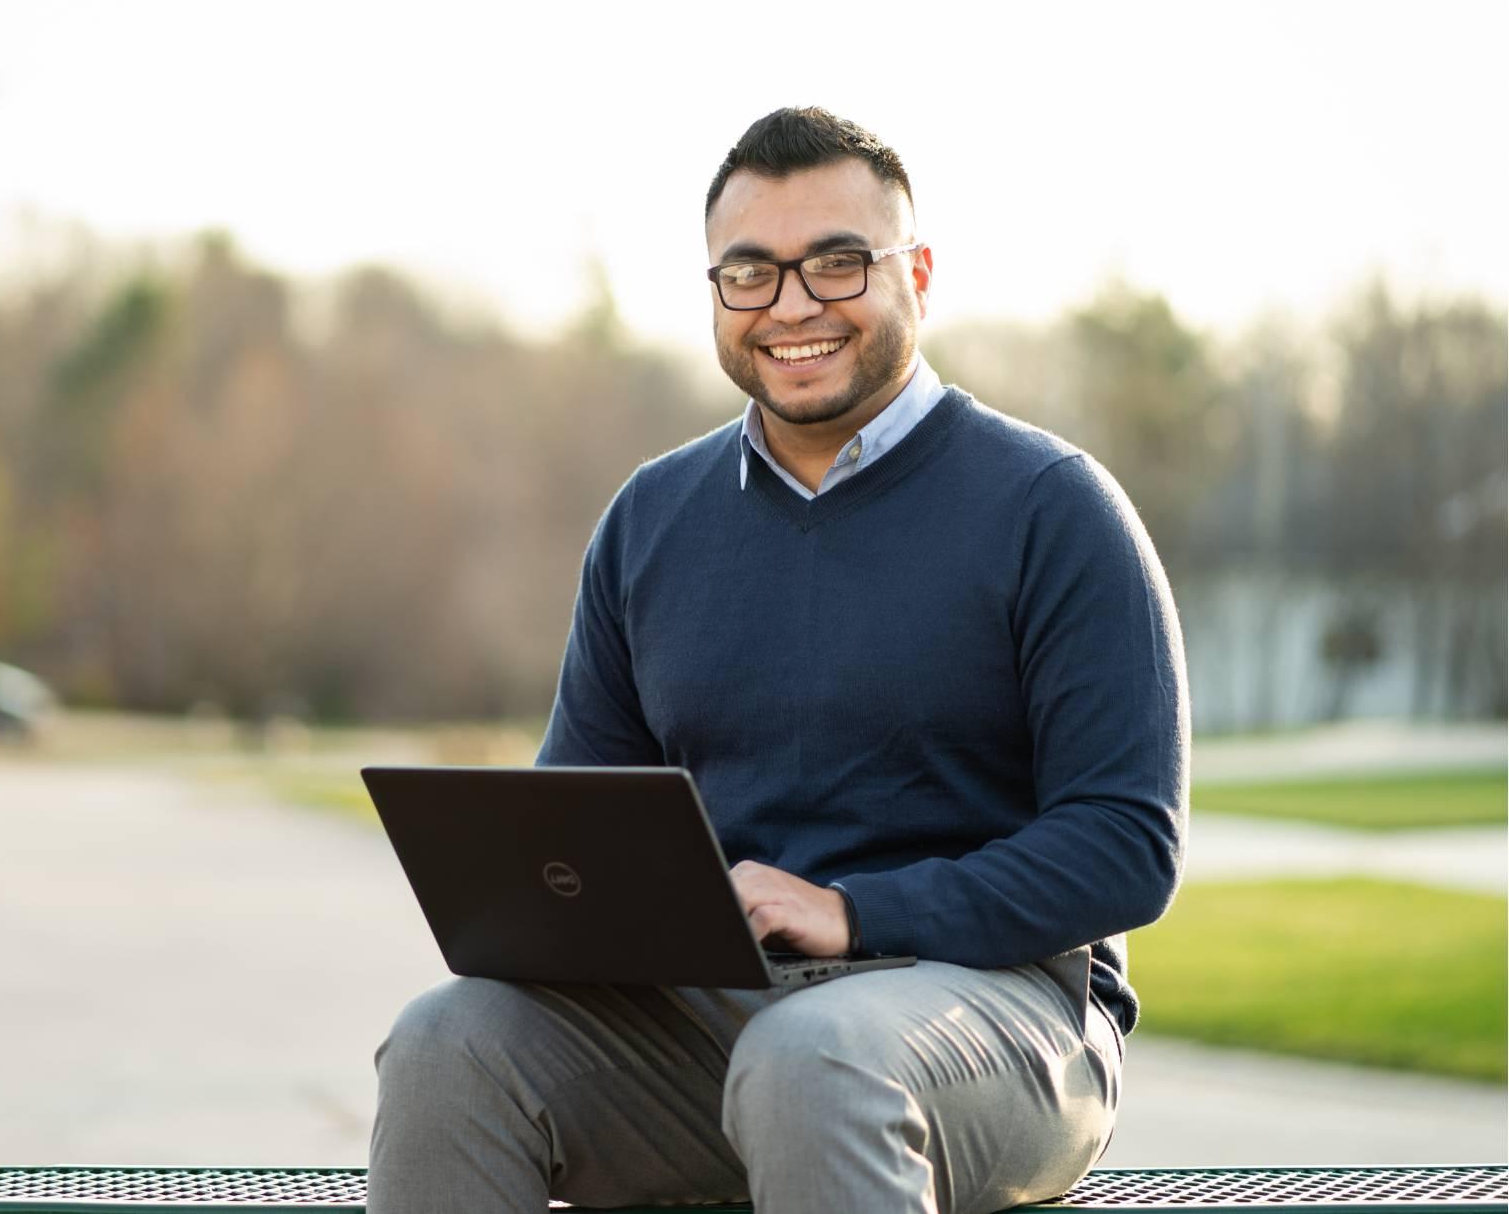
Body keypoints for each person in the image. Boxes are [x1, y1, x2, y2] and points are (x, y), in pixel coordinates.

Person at [367, 107, 1189, 1214]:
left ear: (920, 275)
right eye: (748, 273)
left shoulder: (1051, 508)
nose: (792, 306)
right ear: (715, 292)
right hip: (709, 1022)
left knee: (813, 1056)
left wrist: (854, 911)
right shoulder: (650, 519)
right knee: (446, 1041)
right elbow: (581, 815)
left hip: (997, 1018)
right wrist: (537, 906)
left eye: (837, 264)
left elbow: (1124, 848)